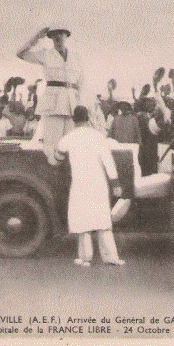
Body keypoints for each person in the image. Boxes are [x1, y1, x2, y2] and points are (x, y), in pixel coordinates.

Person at [55, 106, 125, 267]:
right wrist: (116, 184)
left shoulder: (69, 137)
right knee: (102, 221)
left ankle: (85, 258)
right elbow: (108, 162)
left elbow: (58, 155)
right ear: (88, 118)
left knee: (83, 222)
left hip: (80, 184)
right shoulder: (98, 136)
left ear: (74, 120)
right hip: (98, 183)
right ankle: (112, 257)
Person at [17, 25, 84, 164]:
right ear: (51, 37)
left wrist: (80, 102)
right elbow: (21, 53)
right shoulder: (46, 54)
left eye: (61, 33)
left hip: (72, 104)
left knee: (71, 145)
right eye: (54, 34)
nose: (58, 36)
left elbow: (80, 81)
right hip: (53, 104)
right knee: (53, 145)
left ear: (66, 35)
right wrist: (36, 37)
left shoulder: (76, 56)